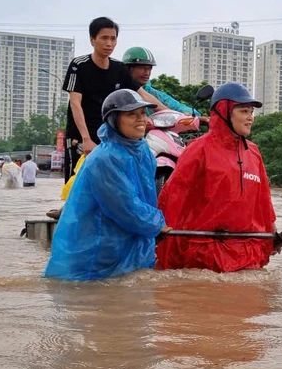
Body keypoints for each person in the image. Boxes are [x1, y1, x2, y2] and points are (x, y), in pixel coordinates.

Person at [44, 89, 171, 281]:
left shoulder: (142, 150)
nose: (140, 119)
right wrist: (157, 224)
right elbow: (124, 206)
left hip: (125, 242)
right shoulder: (105, 158)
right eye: (131, 114)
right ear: (113, 120)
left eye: (143, 113)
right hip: (96, 251)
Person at [155, 82, 280, 273]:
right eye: (244, 111)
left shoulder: (253, 153)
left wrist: (273, 236)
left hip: (248, 253)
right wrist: (161, 234)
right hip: (205, 256)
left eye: (251, 112)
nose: (250, 118)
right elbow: (173, 196)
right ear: (224, 111)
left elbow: (263, 200)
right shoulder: (199, 149)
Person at [60, 16, 168, 182]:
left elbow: (143, 94)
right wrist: (86, 139)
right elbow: (75, 103)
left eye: (113, 39)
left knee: (113, 183)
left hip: (111, 136)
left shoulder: (119, 69)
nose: (109, 43)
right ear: (92, 39)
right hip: (82, 137)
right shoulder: (79, 65)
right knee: (77, 183)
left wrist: (169, 113)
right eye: (104, 38)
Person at [122, 46, 207, 121]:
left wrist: (189, 114)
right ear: (128, 68)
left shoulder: (153, 94)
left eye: (149, 68)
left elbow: (176, 106)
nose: (147, 73)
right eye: (142, 68)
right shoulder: (118, 91)